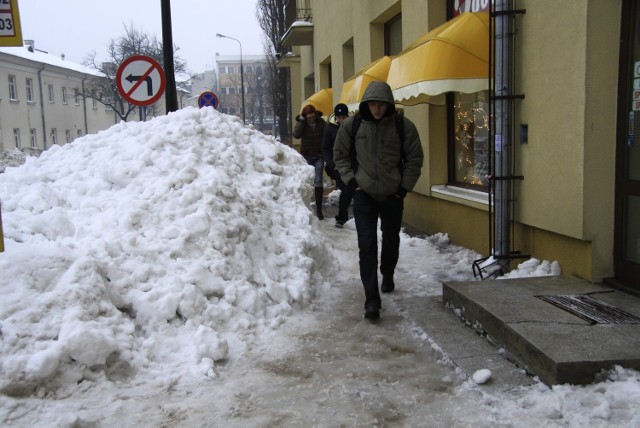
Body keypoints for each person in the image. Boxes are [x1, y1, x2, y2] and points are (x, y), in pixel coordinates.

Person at [333, 81, 424, 320]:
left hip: (392, 195)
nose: (376, 109)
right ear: (365, 104)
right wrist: (352, 183)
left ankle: (388, 272)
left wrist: (403, 188)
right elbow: (339, 154)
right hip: (364, 195)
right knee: (367, 245)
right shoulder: (353, 125)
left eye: (381, 104)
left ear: (388, 104)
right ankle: (371, 300)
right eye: (372, 104)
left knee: (391, 240)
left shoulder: (402, 126)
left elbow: (414, 157)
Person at [322, 103, 354, 228]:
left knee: (353, 191)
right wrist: (332, 164)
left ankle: (358, 217)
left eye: (343, 117)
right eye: (339, 117)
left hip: (352, 164)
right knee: (346, 190)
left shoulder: (353, 126)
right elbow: (325, 148)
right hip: (338, 166)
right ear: (335, 117)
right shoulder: (329, 128)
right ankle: (341, 218)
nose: (341, 120)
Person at [293, 104, 327, 220]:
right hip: (306, 156)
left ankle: (319, 210)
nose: (311, 119)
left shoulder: (321, 123)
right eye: (309, 118)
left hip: (318, 156)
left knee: (318, 181)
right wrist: (302, 122)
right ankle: (304, 208)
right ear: (305, 116)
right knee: (305, 182)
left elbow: (326, 137)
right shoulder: (302, 124)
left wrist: (324, 151)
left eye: (313, 117)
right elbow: (296, 135)